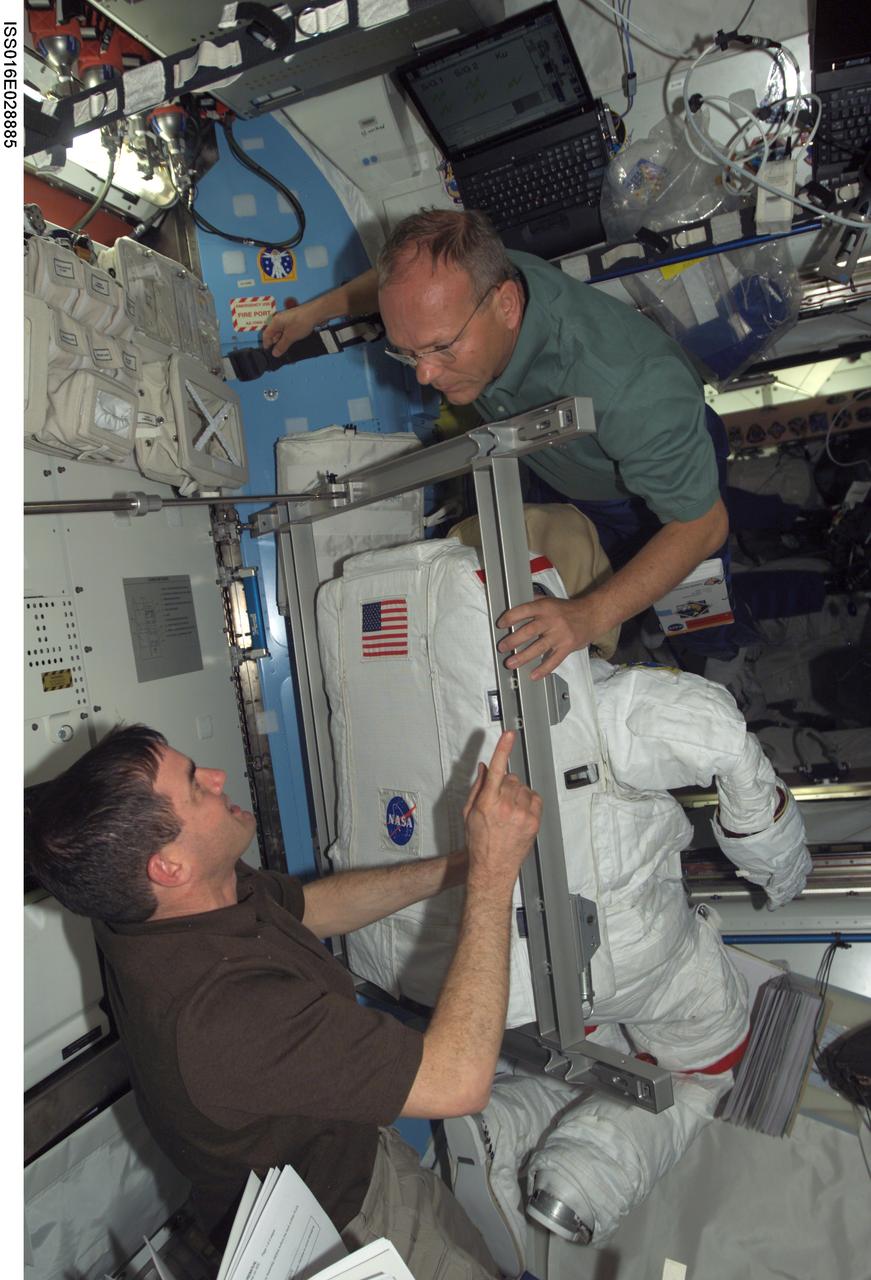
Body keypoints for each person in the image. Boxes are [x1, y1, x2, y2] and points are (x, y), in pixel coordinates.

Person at [311, 534, 812, 1274]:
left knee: (624, 1041)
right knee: (712, 1057)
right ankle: (575, 1181)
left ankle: (510, 1123)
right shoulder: (611, 707)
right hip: (554, 965)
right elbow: (724, 745)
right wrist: (781, 873)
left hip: (417, 949)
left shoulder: (363, 619)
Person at [25, 724, 541, 1279]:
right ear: (169, 868)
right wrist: (494, 872)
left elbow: (308, 908)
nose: (217, 776)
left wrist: (461, 867)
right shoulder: (219, 1020)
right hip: (346, 1229)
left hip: (351, 1150)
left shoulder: (156, 900)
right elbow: (458, 1080)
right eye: (196, 785)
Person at [262, 209, 732, 674]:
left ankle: (718, 659)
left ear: (506, 307)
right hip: (563, 460)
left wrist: (588, 617)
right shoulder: (472, 276)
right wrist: (314, 313)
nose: (424, 373)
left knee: (694, 598)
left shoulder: (631, 388)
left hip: (655, 472)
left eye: (442, 347)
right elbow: (404, 285)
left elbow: (701, 526)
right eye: (409, 352)